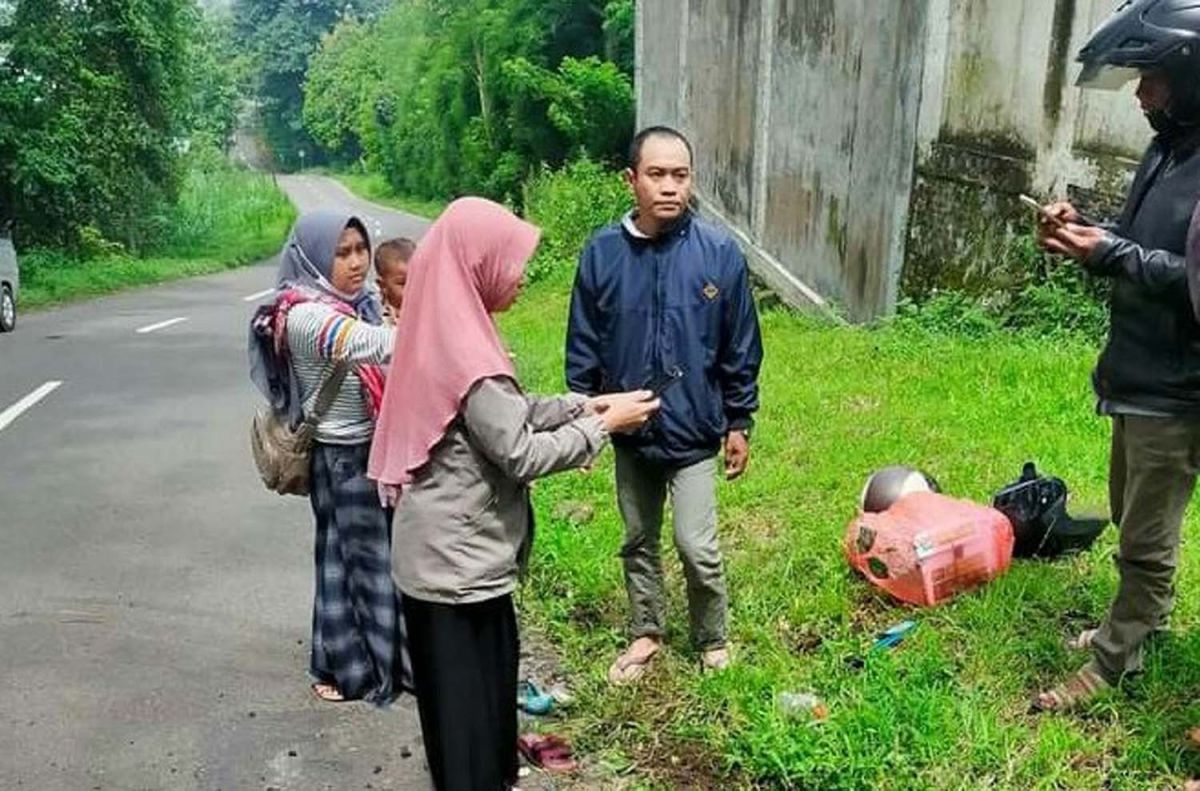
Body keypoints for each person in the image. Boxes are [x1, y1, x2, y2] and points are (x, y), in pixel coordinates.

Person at [368, 197, 659, 791]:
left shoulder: (451, 331)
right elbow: (519, 451)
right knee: (468, 731)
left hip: (456, 561)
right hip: (456, 566)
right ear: (477, 262)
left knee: (480, 713)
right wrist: (602, 427)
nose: (522, 275)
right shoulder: (467, 357)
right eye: (513, 261)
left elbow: (510, 410)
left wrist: (583, 406)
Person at [1032, 0, 1200, 712]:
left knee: (1145, 540)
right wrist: (1087, 232)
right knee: (1133, 518)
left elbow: (1193, 279)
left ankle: (1112, 663)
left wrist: (1113, 253)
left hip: (1178, 388)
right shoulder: (1169, 149)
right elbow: (1144, 243)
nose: (1140, 93)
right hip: (1136, 371)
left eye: (1151, 77)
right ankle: (1139, 624)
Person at [565, 126, 764, 684]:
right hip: (629, 431)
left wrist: (739, 420)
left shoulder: (718, 254)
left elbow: (740, 345)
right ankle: (646, 631)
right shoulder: (602, 254)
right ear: (631, 180)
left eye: (681, 175)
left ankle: (712, 637)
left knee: (696, 545)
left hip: (695, 429)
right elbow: (583, 344)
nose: (670, 186)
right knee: (637, 539)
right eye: (657, 174)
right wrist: (583, 425)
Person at [257, 210, 403, 704]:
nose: (356, 262)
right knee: (362, 564)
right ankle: (357, 669)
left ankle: (343, 663)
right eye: (341, 253)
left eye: (361, 250)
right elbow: (372, 346)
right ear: (315, 258)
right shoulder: (305, 315)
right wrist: (453, 330)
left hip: (368, 449)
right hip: (342, 456)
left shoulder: (358, 304)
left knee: (345, 559)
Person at [375, 236, 415, 325]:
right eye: (403, 283)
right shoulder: (375, 316)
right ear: (382, 285)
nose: (413, 289)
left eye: (417, 280)